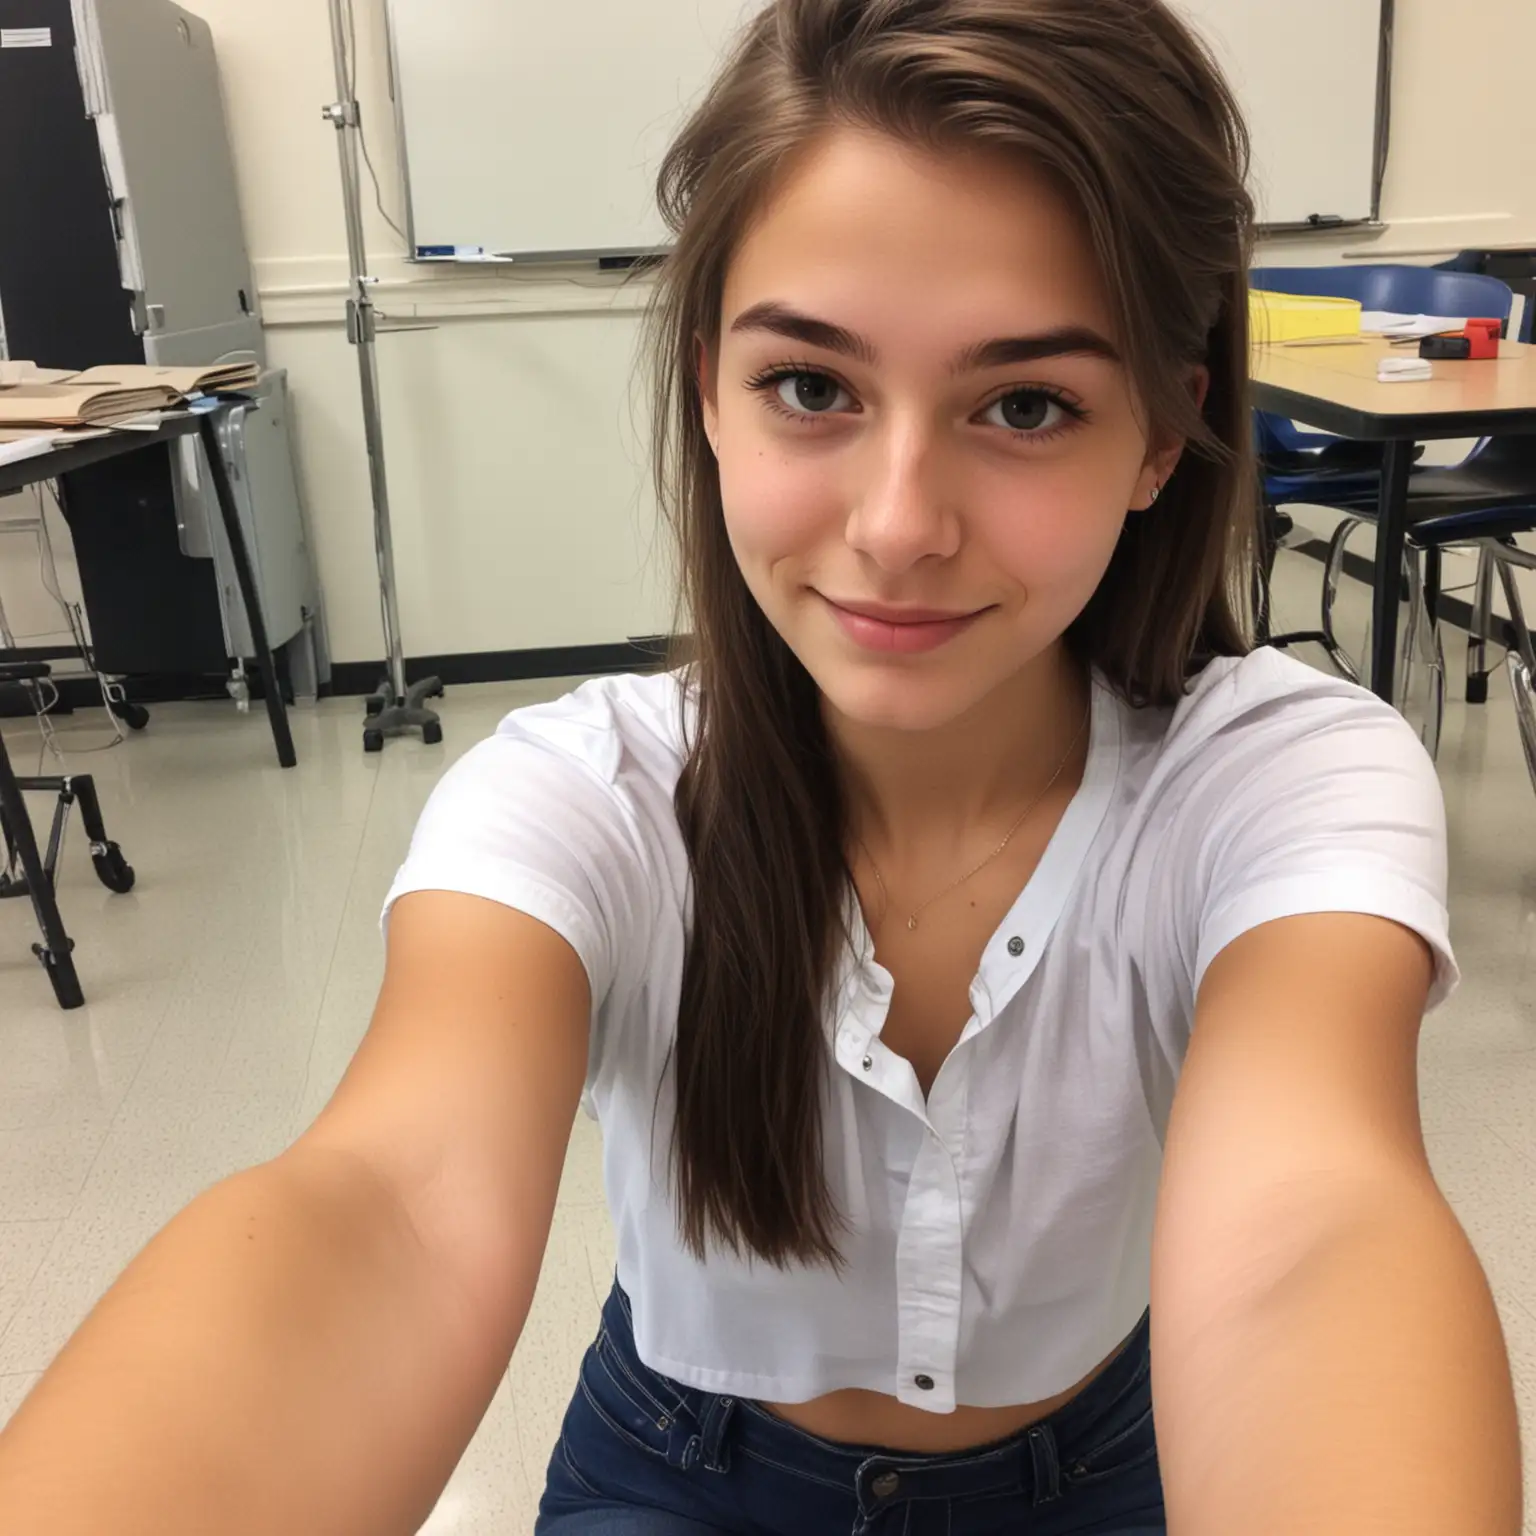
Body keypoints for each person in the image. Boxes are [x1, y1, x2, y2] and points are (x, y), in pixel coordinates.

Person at [0, 0, 1522, 1532]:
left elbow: (1311, 1229)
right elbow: (389, 1205)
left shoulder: (1277, 778)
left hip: (1122, 1473)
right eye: (812, 386)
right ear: (712, 392)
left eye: (1027, 404)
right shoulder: (581, 798)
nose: (899, 523)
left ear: (1156, 433)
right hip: (684, 1476)